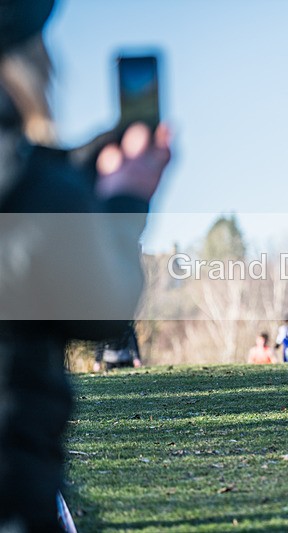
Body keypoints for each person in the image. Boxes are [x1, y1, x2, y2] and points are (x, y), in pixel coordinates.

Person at [0, 1, 171, 529]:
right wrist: (127, 205)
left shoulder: (40, 180)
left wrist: (82, 164)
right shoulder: (36, 189)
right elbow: (101, 312)